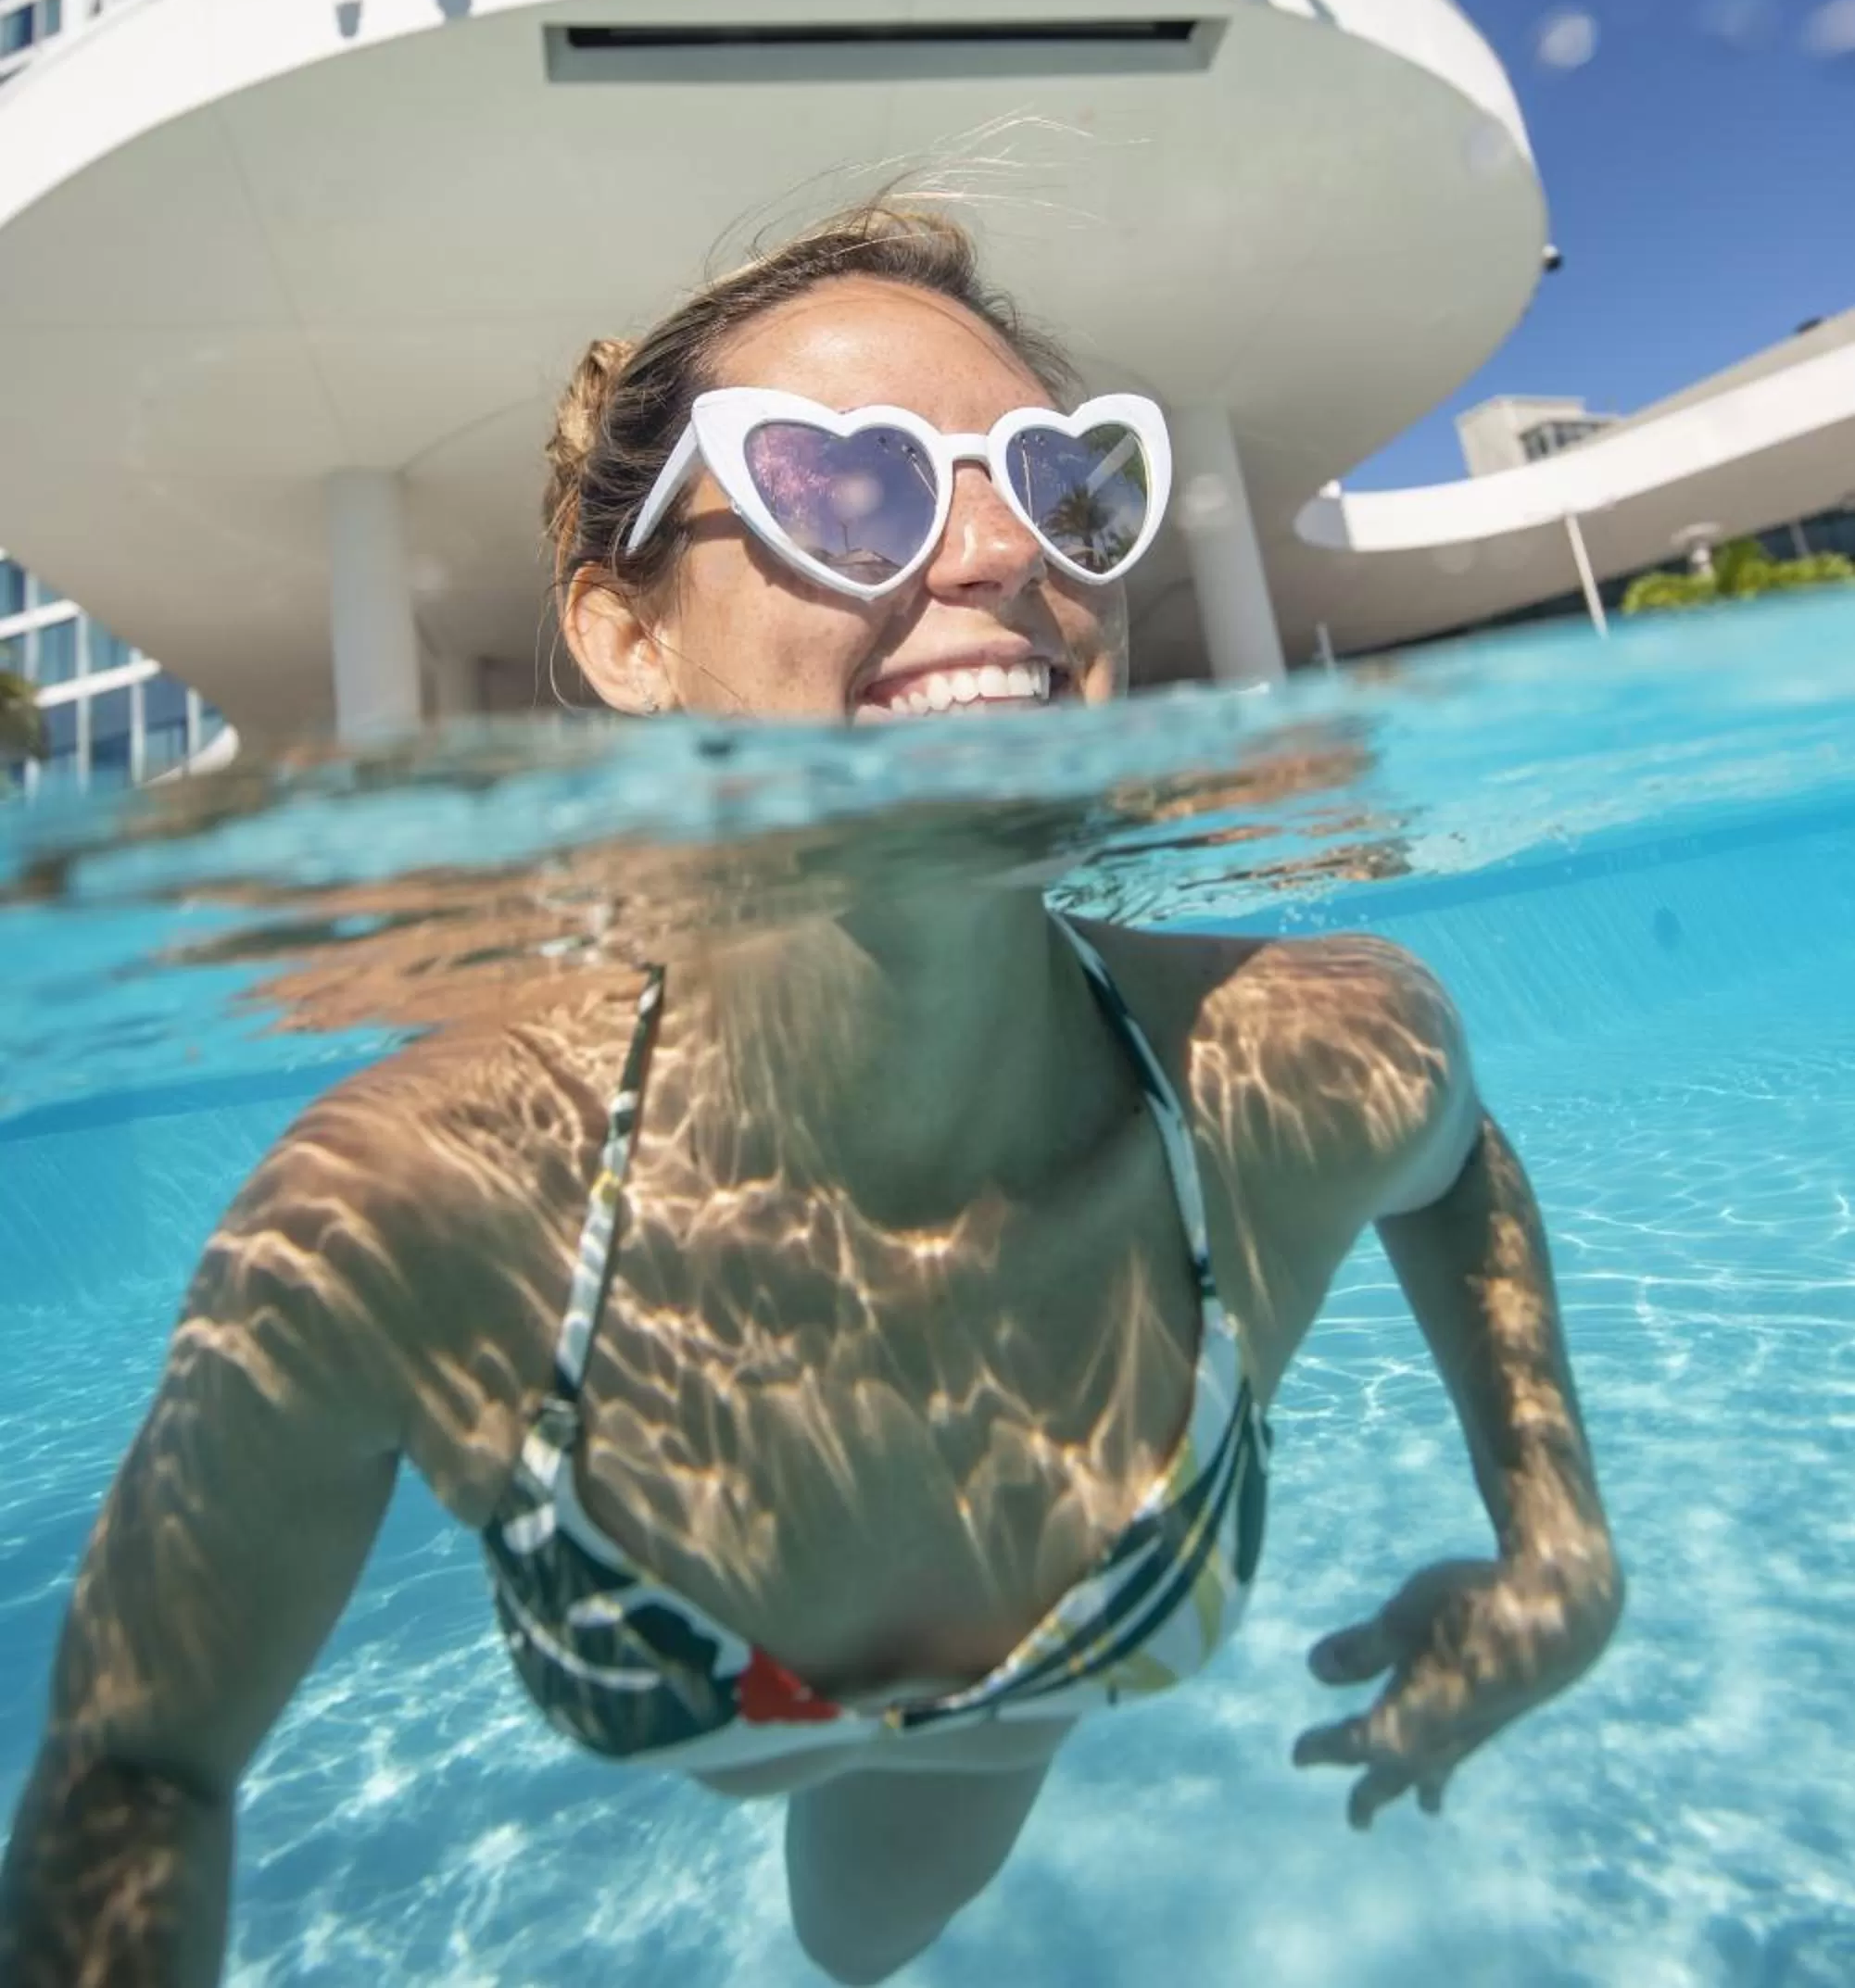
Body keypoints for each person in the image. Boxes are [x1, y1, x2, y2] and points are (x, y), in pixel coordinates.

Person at [0, 203, 1622, 1988]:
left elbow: (1451, 1154)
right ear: (628, 641)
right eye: (837, 485)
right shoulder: (415, 1214)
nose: (1007, 550)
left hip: (1030, 1707)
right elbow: (138, 1767)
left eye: (1061, 481)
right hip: (710, 1686)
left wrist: (1555, 1542)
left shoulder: (1295, 1062)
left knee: (863, 1936)